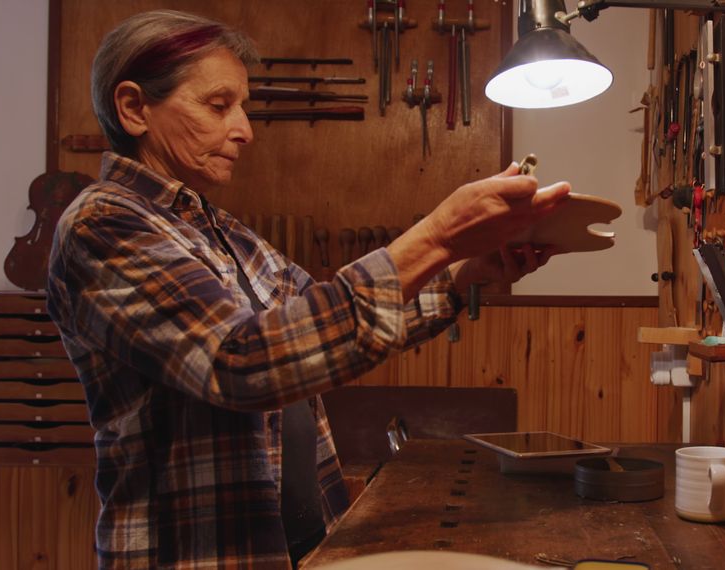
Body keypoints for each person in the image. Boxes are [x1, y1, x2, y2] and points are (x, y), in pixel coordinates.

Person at [46, 9, 570, 569]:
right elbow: (240, 362)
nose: (244, 129)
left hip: (298, 547)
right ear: (133, 108)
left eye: (242, 107)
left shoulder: (221, 231)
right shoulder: (101, 225)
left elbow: (320, 325)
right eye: (219, 105)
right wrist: (438, 235)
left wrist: (469, 273)